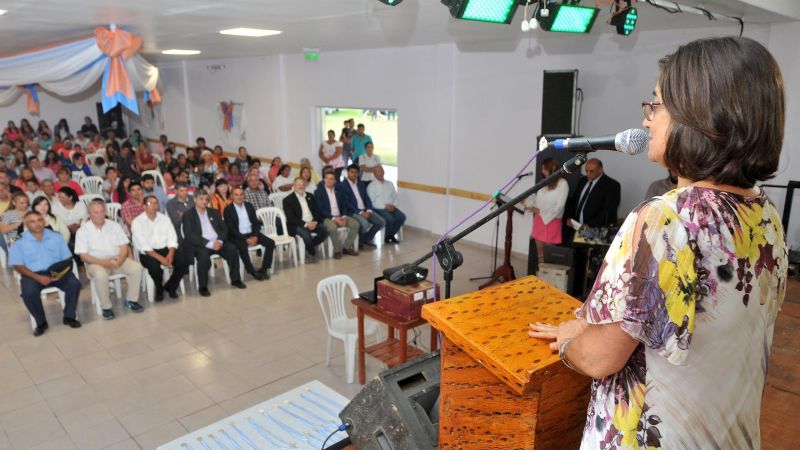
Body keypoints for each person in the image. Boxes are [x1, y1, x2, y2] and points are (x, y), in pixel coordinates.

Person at [529, 36, 788, 449]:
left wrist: (568, 341)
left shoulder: (664, 219)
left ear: (699, 117)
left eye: (656, 105)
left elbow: (599, 357)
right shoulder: (765, 215)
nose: (647, 120)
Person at [10, 211, 82, 336]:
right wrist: (38, 277)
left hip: (56, 272)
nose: (37, 224)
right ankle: (41, 322)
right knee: (29, 292)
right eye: (32, 221)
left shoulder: (56, 237)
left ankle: (69, 316)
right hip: (32, 274)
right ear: (26, 224)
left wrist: (56, 275)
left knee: (74, 283)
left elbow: (66, 259)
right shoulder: (18, 242)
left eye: (39, 220)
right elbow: (18, 266)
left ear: (44, 221)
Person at [76, 200, 144, 319]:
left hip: (117, 259)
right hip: (95, 263)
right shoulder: (83, 231)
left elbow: (124, 246)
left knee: (136, 267)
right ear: (89, 214)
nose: (100, 215)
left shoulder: (114, 225)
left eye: (102, 211)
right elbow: (84, 256)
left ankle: (131, 300)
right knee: (100, 275)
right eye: (96, 212)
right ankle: (106, 307)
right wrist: (104, 263)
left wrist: (120, 260)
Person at [181, 190, 246, 297]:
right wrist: (210, 244)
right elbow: (190, 235)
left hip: (217, 242)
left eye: (206, 199)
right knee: (203, 256)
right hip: (201, 244)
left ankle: (235, 279)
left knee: (232, 249)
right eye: (201, 199)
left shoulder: (214, 212)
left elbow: (224, 228)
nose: (204, 202)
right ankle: (203, 286)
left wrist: (220, 241)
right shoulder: (188, 215)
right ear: (195, 199)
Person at [132, 196, 189, 301]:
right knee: (155, 268)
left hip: (165, 249)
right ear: (144, 206)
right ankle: (159, 288)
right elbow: (144, 245)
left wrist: (171, 254)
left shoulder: (165, 219)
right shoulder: (137, 222)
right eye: (150, 204)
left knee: (183, 261)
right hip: (148, 253)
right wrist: (161, 259)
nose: (154, 206)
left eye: (156, 203)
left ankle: (170, 286)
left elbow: (172, 238)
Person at [525, 157, 569, 270]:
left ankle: (548, 279)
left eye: (545, 169)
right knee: (540, 255)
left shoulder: (562, 184)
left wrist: (539, 211)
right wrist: (528, 203)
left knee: (549, 256)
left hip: (553, 221)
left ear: (553, 168)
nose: (543, 171)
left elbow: (559, 207)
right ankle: (540, 276)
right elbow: (538, 199)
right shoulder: (544, 182)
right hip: (539, 221)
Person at [223, 186, 275, 280]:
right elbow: (231, 229)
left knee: (270, 243)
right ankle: (251, 271)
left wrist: (255, 236)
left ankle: (264, 268)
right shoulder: (228, 210)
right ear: (231, 196)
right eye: (236, 194)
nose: (239, 197)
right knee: (242, 247)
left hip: (252, 233)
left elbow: (256, 223)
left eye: (241, 194)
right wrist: (245, 239)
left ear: (244, 195)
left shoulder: (249, 206)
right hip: (238, 236)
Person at [564, 158, 620, 231]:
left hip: (596, 230)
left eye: (591, 171)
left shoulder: (612, 185)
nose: (588, 174)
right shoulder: (582, 181)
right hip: (575, 227)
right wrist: (569, 217)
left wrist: (590, 225)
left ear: (600, 170)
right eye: (586, 170)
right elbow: (574, 201)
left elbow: (608, 211)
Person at [340, 164, 385, 247]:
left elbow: (366, 198)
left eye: (356, 172)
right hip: (353, 211)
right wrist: (361, 212)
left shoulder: (361, 184)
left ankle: (365, 239)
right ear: (347, 173)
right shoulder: (342, 185)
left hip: (365, 210)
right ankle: (359, 242)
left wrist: (368, 210)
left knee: (381, 222)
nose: (354, 174)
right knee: (364, 224)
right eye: (352, 172)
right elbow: (347, 203)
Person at [284, 177, 328, 262]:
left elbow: (316, 211)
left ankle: (309, 246)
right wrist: (306, 224)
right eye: (298, 184)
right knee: (306, 235)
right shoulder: (287, 200)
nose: (301, 186)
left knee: (325, 231)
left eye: (303, 184)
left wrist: (314, 222)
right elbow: (291, 218)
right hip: (297, 224)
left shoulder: (310, 196)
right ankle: (311, 253)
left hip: (312, 222)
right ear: (294, 186)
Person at [315, 172, 359, 258]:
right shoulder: (318, 192)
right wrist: (334, 218)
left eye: (331, 179)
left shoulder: (339, 190)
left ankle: (346, 247)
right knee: (332, 227)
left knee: (355, 224)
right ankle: (337, 250)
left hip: (340, 215)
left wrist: (344, 216)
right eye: (327, 178)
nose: (329, 181)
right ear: (324, 180)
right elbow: (320, 209)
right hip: (326, 217)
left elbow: (344, 205)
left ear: (335, 181)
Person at [367, 165, 405, 244]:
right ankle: (387, 236)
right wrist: (385, 206)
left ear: (384, 172)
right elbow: (372, 202)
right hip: (379, 208)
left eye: (381, 171)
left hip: (392, 207)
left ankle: (390, 235)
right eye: (377, 172)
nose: (380, 173)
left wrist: (394, 205)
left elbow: (395, 197)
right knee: (390, 219)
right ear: (374, 174)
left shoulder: (390, 184)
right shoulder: (371, 186)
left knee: (402, 217)